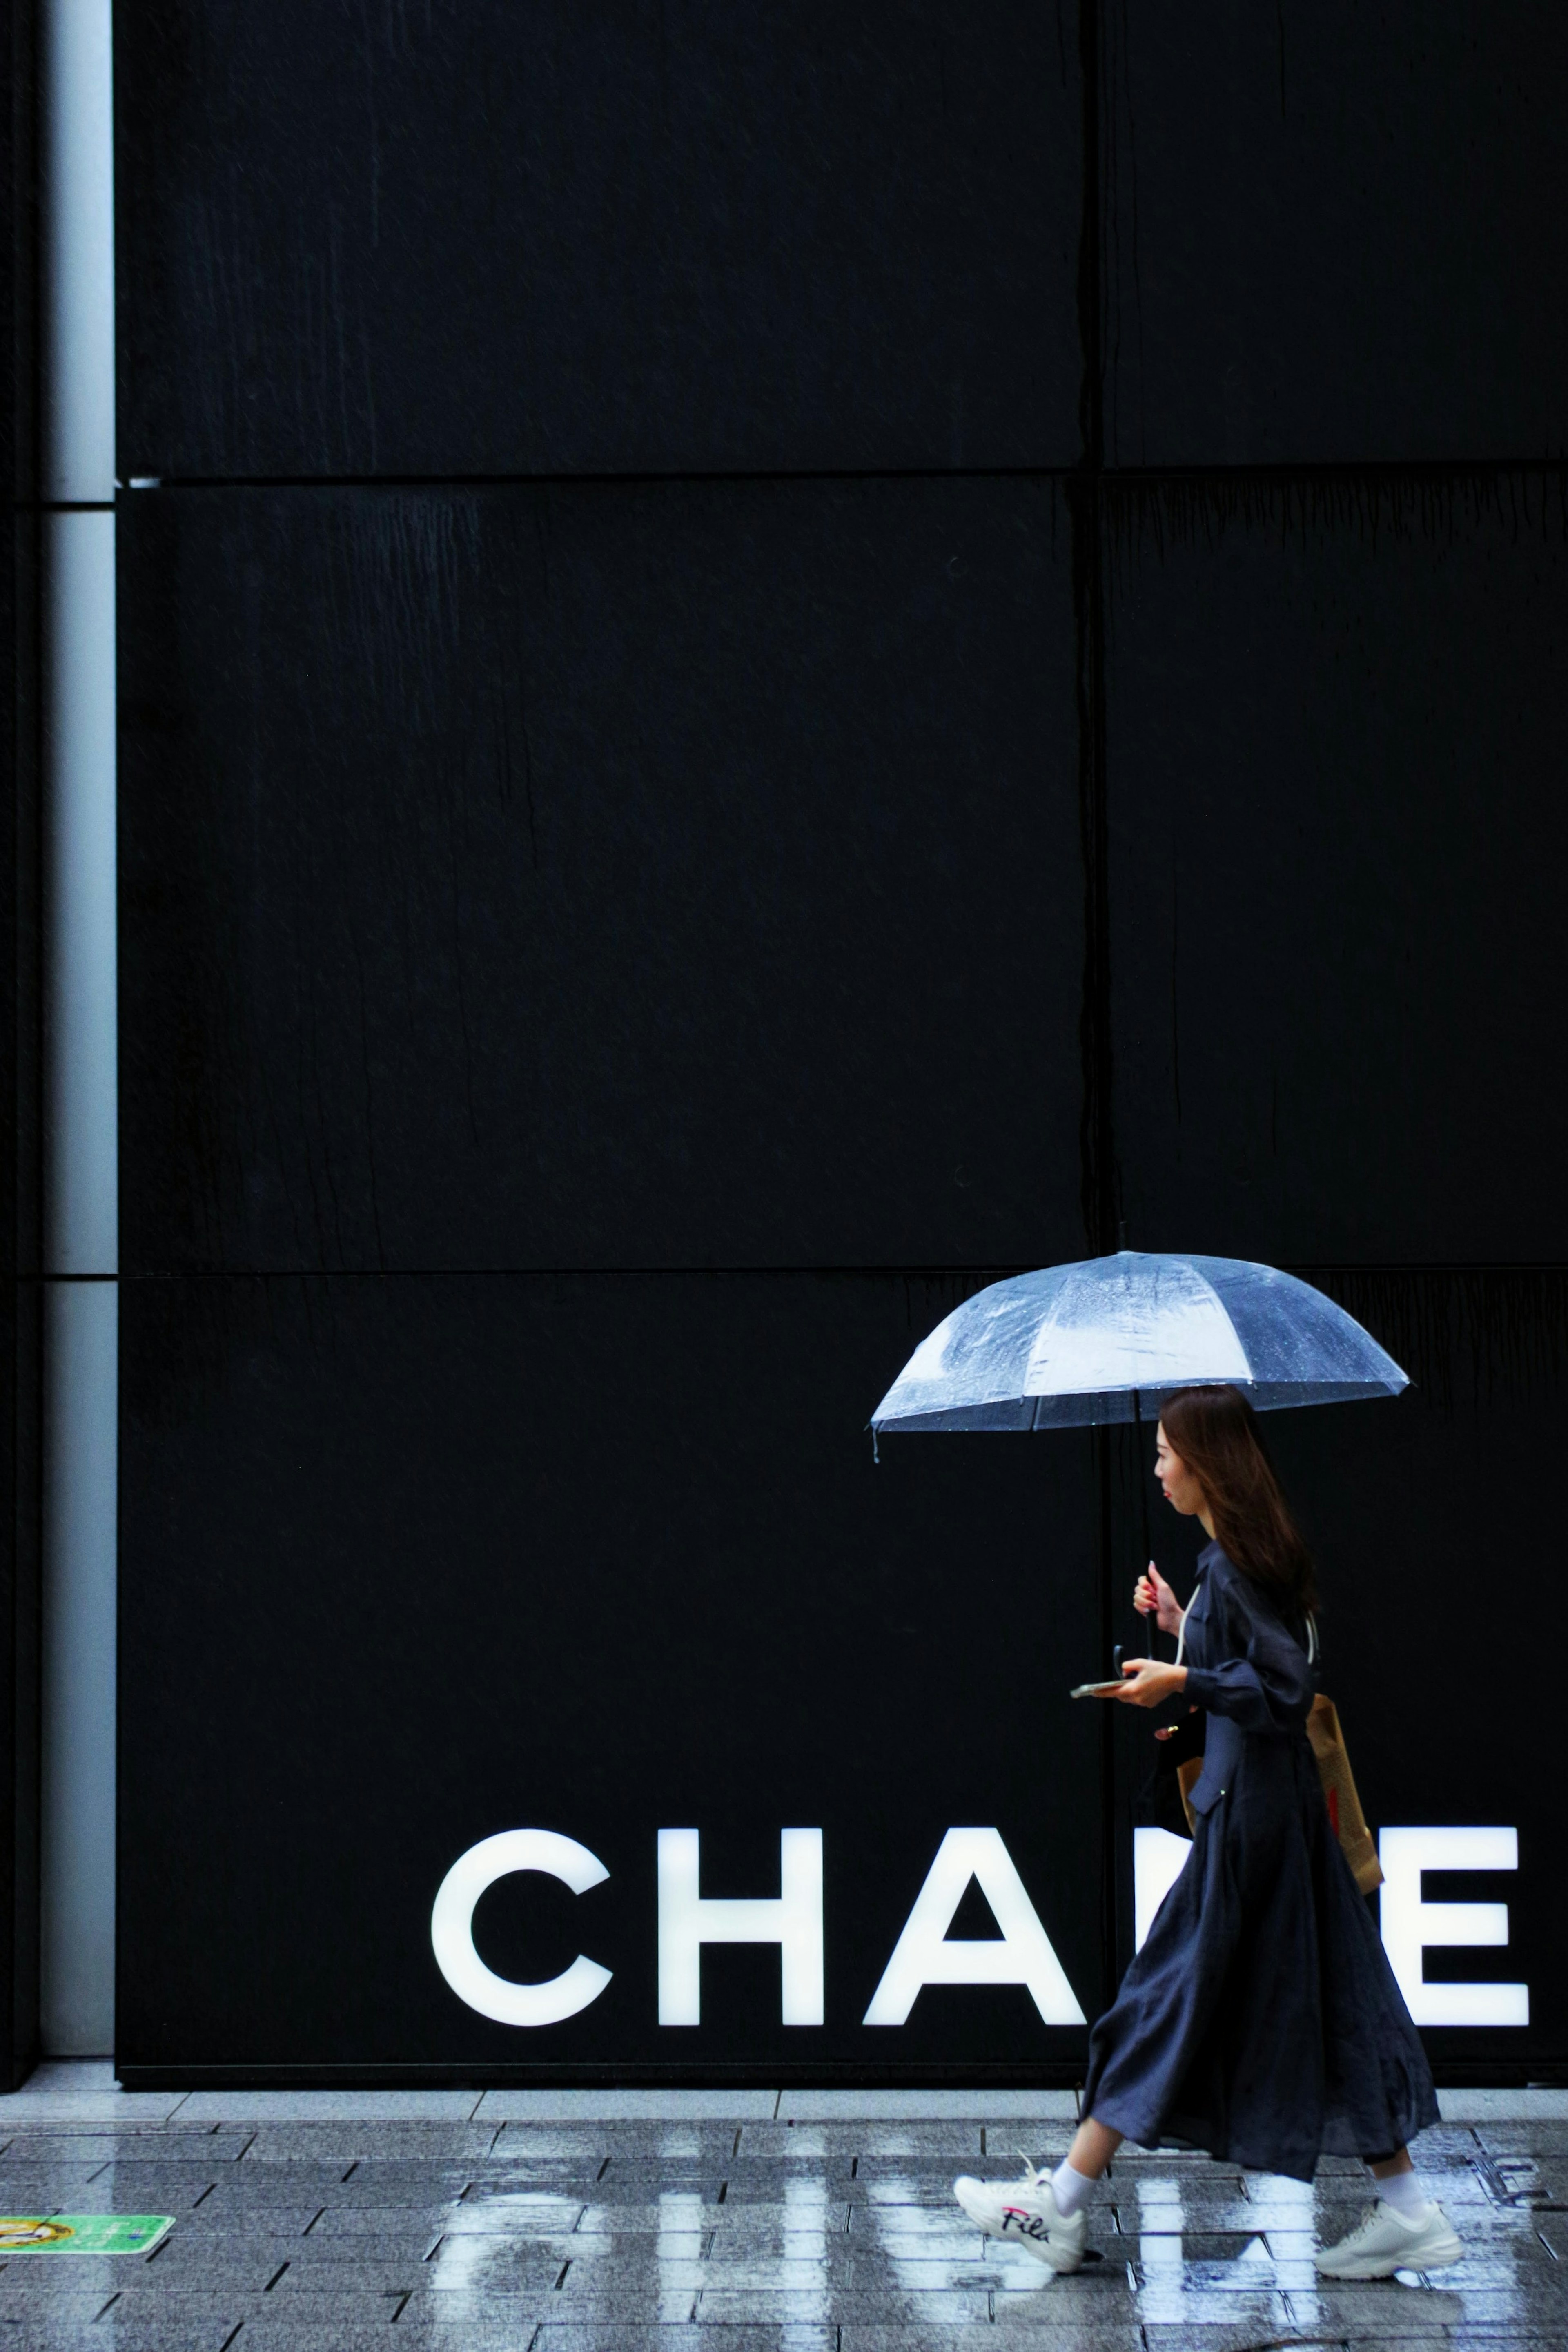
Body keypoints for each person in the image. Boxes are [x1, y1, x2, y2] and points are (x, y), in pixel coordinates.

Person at [953, 1383, 1459, 2281]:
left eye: (1163, 1452)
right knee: (1335, 2008)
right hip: (1276, 1818)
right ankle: (1411, 2211)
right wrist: (1185, 1631)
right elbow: (1261, 1663)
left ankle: (1060, 2206)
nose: (1155, 1469)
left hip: (1252, 1829)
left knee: (1162, 2000)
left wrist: (1178, 1683)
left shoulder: (1231, 1564)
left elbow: (1284, 1692)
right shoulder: (1241, 1560)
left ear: (1204, 1462)